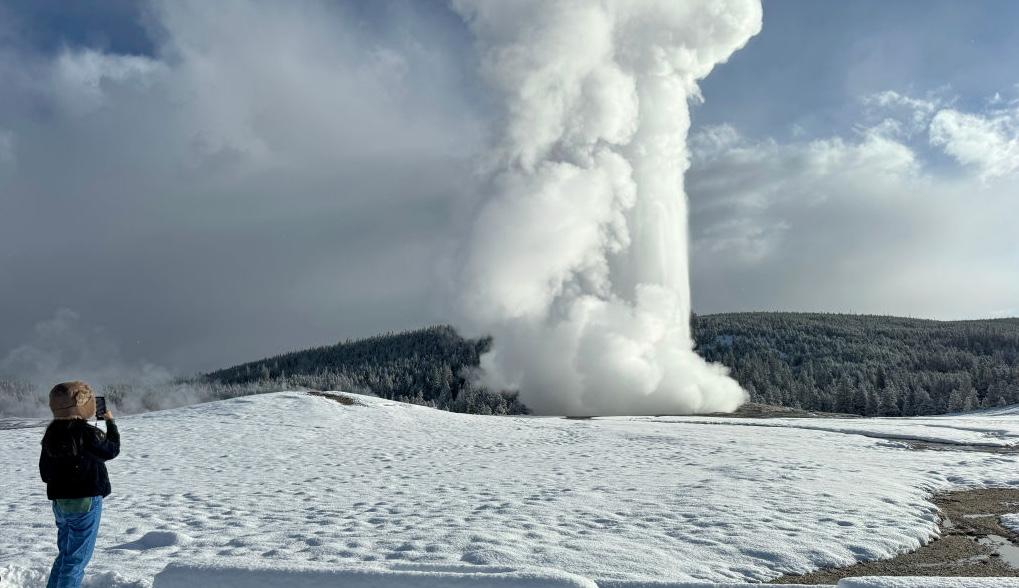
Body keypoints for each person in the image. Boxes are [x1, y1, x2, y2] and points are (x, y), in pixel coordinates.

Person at [39, 381, 120, 588]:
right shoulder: (87, 433)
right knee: (75, 561)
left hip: (60, 504)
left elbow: (45, 473)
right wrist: (110, 423)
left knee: (65, 556)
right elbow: (111, 450)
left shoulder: (51, 435)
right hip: (85, 503)